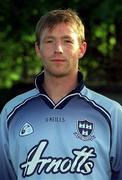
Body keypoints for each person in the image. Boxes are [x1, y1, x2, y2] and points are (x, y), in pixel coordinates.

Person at [0, 9, 122, 180]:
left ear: (82, 49)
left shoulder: (112, 113)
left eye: (67, 41)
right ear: (38, 49)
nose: (58, 49)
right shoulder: (11, 112)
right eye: (49, 41)